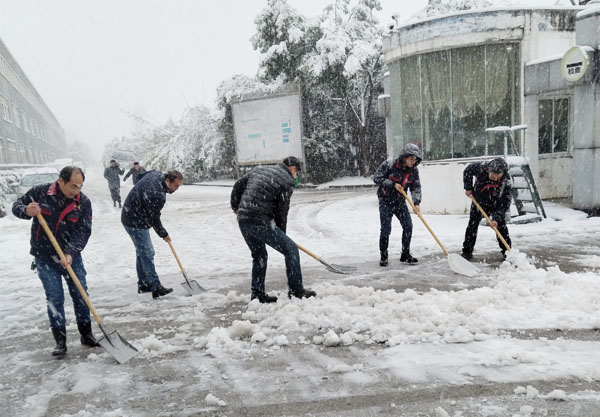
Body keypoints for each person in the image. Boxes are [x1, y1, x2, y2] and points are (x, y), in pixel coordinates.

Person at [12, 166, 99, 357]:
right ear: (60, 181)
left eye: (80, 186)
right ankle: (60, 341)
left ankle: (87, 334)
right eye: (73, 186)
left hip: (71, 258)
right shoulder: (40, 193)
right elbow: (16, 206)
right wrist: (26, 210)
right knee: (55, 298)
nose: (77, 190)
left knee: (81, 294)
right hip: (44, 257)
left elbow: (84, 230)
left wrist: (70, 253)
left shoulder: (82, 202)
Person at [231, 156, 316, 303]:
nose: (296, 177)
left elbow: (238, 185)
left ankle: (257, 294)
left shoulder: (259, 169)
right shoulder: (286, 180)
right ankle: (296, 290)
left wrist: (236, 206)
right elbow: (281, 211)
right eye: (297, 173)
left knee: (259, 255)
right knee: (291, 250)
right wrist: (282, 234)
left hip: (244, 220)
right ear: (293, 168)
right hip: (260, 221)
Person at [121, 169, 183, 298]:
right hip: (134, 220)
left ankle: (144, 284)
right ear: (167, 180)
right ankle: (155, 287)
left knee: (142, 252)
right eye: (175, 186)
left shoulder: (157, 174)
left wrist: (139, 194)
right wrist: (163, 234)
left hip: (130, 214)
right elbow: (153, 217)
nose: (176, 189)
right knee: (147, 252)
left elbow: (140, 175)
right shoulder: (156, 193)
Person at [373, 143, 422, 267]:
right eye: (411, 159)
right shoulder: (389, 165)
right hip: (385, 201)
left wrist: (416, 203)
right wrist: (392, 184)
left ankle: (405, 254)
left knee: (408, 226)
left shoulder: (413, 171)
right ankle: (384, 255)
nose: (413, 162)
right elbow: (376, 178)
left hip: (400, 202)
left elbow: (416, 187)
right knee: (385, 230)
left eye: (415, 159)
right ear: (405, 157)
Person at [461, 157, 512, 260]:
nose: (494, 178)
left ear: (502, 174)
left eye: (497, 177)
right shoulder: (482, 168)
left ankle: (508, 252)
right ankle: (467, 252)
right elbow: (468, 170)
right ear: (489, 170)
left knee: (501, 227)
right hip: (479, 202)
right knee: (472, 225)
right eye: (492, 175)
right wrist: (468, 187)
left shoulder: (507, 182)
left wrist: (496, 218)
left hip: (496, 204)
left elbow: (505, 203)